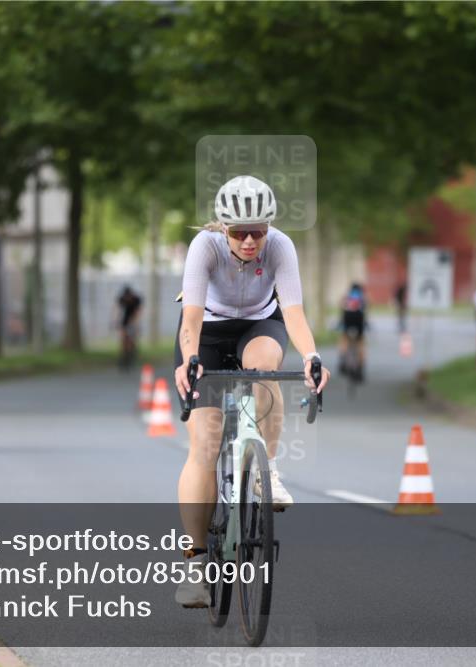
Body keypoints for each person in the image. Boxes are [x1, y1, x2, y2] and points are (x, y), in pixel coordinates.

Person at [173, 175, 330, 608]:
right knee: (203, 446)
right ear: (222, 228)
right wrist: (190, 359)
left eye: (257, 232)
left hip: (259, 324)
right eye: (239, 232)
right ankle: (194, 562)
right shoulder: (204, 248)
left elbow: (294, 314)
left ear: (268, 228)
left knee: (265, 366)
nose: (248, 241)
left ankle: (267, 470)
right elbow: (190, 320)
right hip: (207, 330)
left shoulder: (280, 246)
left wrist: (312, 356)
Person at [338, 282, 367, 379]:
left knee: (344, 338)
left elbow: (342, 308)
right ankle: (360, 367)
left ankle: (342, 360)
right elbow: (365, 310)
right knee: (360, 342)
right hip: (359, 317)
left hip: (348, 317)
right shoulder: (362, 297)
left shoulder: (347, 297)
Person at [116, 285, 143, 369]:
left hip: (133, 321)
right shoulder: (122, 299)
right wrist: (117, 322)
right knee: (124, 339)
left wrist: (135, 323)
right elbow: (117, 310)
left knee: (131, 339)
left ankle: (132, 354)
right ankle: (124, 356)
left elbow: (138, 312)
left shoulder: (136, 300)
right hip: (124, 321)